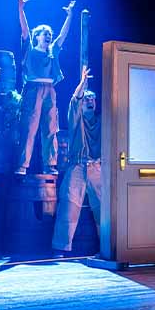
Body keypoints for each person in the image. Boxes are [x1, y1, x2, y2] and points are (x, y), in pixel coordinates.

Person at [15, 0, 76, 175]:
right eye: (45, 34)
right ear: (38, 36)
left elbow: (63, 35)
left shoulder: (53, 52)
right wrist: (20, 9)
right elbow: (25, 30)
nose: (49, 36)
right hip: (33, 89)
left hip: (50, 90)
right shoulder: (30, 51)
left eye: (50, 34)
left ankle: (50, 164)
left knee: (50, 128)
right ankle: (22, 165)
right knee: (29, 127)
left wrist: (70, 16)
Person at [52, 66, 102, 256]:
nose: (90, 101)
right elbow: (74, 101)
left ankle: (106, 248)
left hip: (98, 166)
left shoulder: (102, 121)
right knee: (69, 206)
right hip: (78, 165)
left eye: (93, 98)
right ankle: (60, 249)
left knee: (103, 210)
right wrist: (83, 83)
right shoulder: (76, 118)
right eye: (87, 99)